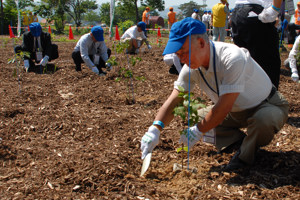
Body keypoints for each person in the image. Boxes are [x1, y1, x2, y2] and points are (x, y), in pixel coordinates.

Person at [140, 18, 289, 171]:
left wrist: (198, 131)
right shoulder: (191, 67)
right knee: (196, 116)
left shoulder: (231, 58)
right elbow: (175, 99)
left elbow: (223, 107)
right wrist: (155, 129)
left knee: (263, 120)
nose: (181, 59)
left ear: (202, 43)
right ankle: (237, 142)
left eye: (184, 52)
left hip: (266, 104)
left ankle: (245, 157)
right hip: (234, 111)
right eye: (178, 55)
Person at [231, 0, 283, 89]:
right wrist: (274, 9)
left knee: (244, 64)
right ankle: (267, 100)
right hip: (256, 12)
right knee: (267, 67)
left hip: (239, 12)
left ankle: (247, 99)